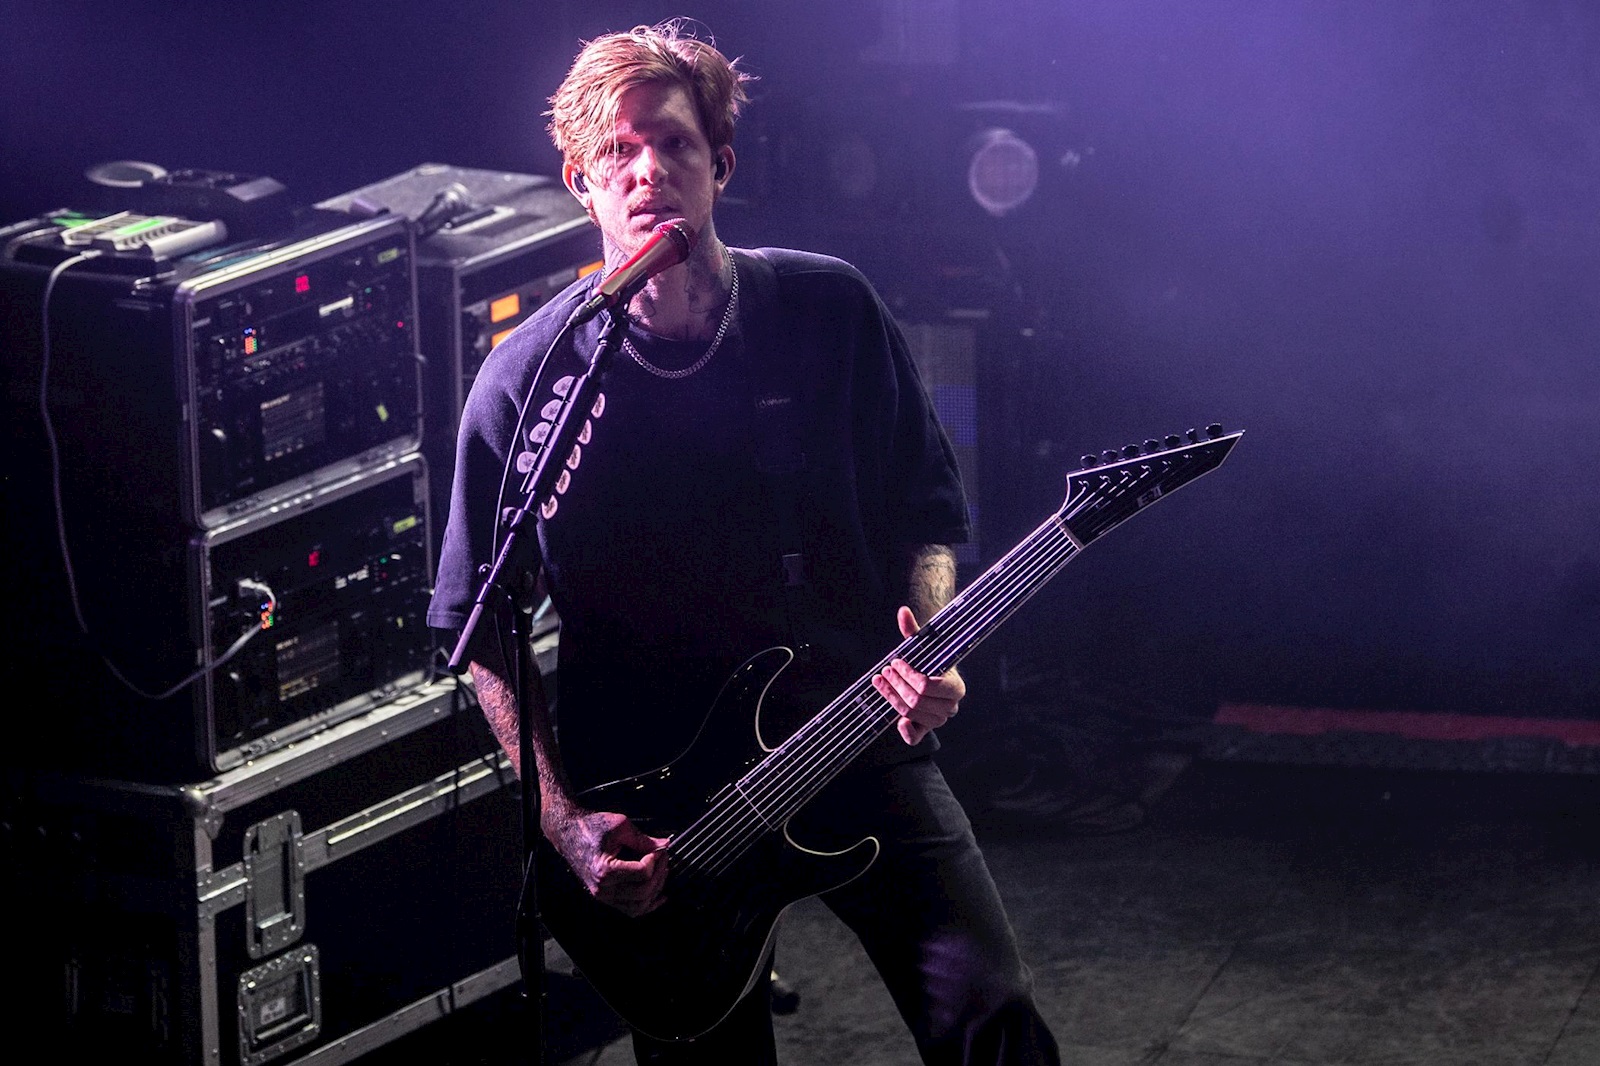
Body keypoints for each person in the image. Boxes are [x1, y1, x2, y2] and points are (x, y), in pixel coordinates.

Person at [427, 19, 1061, 1066]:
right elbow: (479, 624)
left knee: (992, 1018)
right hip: (664, 808)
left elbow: (925, 509)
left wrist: (932, 639)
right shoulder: (529, 382)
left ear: (719, 165)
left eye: (674, 143)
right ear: (581, 184)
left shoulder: (825, 310)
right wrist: (565, 824)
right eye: (618, 151)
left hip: (851, 734)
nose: (648, 171)